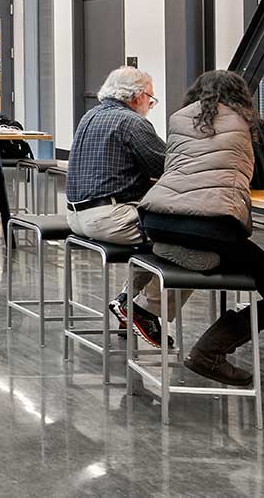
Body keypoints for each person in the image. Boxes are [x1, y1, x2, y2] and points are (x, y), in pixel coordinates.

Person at [139, 70, 264, 386]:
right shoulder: (246, 122)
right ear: (241, 95)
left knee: (225, 252)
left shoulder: (179, 119)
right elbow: (258, 179)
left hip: (158, 221)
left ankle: (176, 268)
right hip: (209, 227)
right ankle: (209, 352)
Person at [65, 66, 183, 348]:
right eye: (151, 99)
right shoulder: (132, 123)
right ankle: (146, 310)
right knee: (185, 241)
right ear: (138, 96)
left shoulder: (90, 116)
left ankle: (125, 302)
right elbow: (168, 165)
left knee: (159, 234)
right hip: (110, 217)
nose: (150, 106)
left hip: (77, 216)